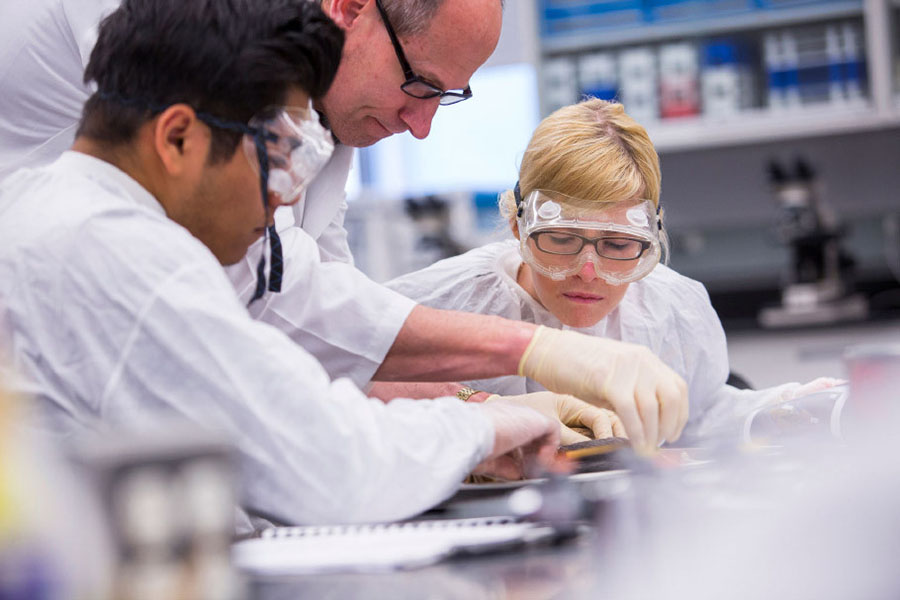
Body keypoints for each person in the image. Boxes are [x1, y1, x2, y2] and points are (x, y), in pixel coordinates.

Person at [0, 0, 688, 450]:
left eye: (444, 101)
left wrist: (481, 406)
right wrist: (527, 357)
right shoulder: (201, 38)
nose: (420, 127)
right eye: (419, 87)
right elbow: (280, 295)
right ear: (352, 9)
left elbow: (331, 324)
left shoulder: (320, 105)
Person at [385, 99, 840, 439]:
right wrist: (473, 408)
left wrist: (778, 409)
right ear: (516, 227)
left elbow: (700, 414)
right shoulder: (439, 304)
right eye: (561, 239)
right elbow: (347, 386)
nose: (588, 271)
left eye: (619, 244)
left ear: (651, 240)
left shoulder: (673, 307)